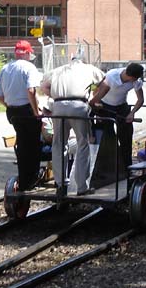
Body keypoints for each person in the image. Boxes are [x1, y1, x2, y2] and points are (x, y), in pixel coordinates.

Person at [41, 57, 105, 196]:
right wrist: (94, 101)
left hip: (58, 106)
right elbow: (105, 84)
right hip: (78, 105)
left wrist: (56, 96)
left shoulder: (58, 70)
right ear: (82, 61)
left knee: (58, 144)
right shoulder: (89, 69)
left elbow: (44, 87)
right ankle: (82, 186)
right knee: (83, 143)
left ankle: (60, 184)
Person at [0, 40, 42, 191]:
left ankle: (23, 178)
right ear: (27, 53)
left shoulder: (5, 68)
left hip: (13, 113)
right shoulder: (30, 67)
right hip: (27, 111)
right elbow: (31, 91)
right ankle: (32, 179)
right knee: (34, 145)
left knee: (22, 143)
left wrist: (10, 106)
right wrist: (36, 112)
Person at [89, 62, 145, 167]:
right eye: (135, 78)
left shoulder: (135, 81)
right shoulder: (111, 75)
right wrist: (95, 103)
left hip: (122, 107)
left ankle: (126, 166)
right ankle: (104, 165)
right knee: (105, 137)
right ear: (131, 76)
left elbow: (140, 99)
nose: (136, 80)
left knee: (126, 137)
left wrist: (132, 113)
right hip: (105, 107)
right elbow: (95, 87)